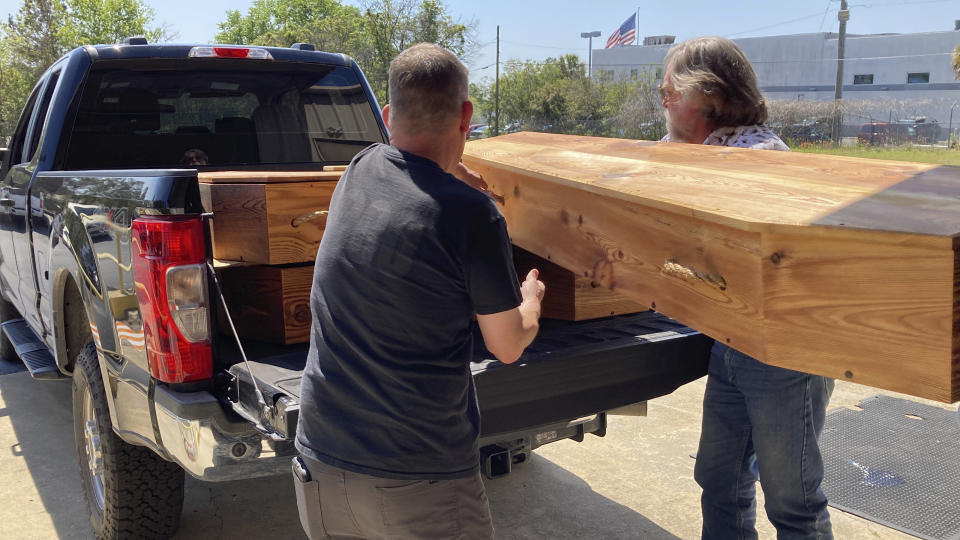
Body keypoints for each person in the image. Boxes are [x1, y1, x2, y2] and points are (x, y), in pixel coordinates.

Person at [293, 43, 545, 540]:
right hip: (415, 478)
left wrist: (450, 172)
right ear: (466, 115)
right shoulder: (471, 215)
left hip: (319, 462)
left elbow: (411, 171)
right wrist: (530, 299)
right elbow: (507, 344)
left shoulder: (359, 169)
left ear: (387, 116)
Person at [658, 36, 834, 540]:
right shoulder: (707, 152)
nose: (664, 100)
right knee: (719, 479)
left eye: (669, 90)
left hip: (783, 354)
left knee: (793, 502)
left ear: (708, 94)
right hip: (733, 343)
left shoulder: (757, 161)